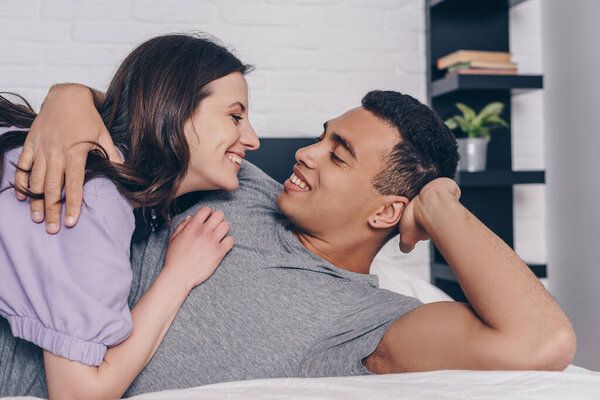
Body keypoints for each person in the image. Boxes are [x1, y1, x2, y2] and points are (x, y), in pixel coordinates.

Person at [6, 89, 576, 398]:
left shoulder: (369, 324)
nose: (305, 151)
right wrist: (68, 97)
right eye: (322, 136)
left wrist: (440, 203)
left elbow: (542, 342)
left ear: (387, 211)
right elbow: (145, 111)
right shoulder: (242, 182)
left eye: (338, 153)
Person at [0, 33, 259, 399]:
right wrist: (179, 275)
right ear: (175, 110)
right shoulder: (92, 195)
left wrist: (72, 94)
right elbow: (78, 395)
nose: (252, 139)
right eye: (235, 116)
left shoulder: (96, 169)